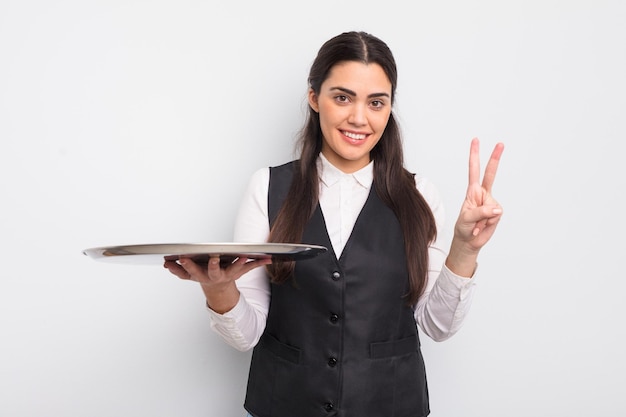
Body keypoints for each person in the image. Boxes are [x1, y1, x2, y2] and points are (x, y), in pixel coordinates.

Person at [165, 30, 504, 417]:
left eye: (376, 103)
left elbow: (438, 325)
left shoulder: (420, 195)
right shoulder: (268, 187)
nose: (359, 118)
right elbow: (247, 335)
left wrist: (466, 248)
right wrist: (219, 290)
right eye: (342, 97)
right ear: (315, 98)